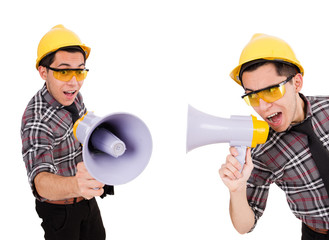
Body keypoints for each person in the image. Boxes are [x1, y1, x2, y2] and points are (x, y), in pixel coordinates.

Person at [219, 33, 329, 240]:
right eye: (252, 95)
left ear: (296, 83)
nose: (262, 106)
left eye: (271, 90)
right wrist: (237, 189)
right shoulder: (261, 150)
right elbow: (245, 225)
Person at [21, 24, 113, 240]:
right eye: (63, 71)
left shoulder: (72, 95)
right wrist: (75, 185)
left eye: (80, 70)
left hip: (87, 200)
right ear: (43, 72)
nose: (74, 82)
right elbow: (40, 181)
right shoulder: (36, 118)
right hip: (59, 213)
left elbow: (82, 132)